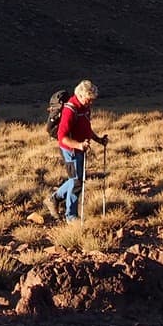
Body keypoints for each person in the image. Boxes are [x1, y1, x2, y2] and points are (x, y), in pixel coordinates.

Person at [46, 80, 102, 221]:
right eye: (89, 100)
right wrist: (78, 145)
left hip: (80, 148)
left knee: (77, 180)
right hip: (70, 150)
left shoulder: (85, 107)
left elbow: (86, 128)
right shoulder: (70, 110)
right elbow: (62, 137)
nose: (91, 103)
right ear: (81, 96)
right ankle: (71, 217)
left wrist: (98, 139)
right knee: (77, 182)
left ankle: (54, 198)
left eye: (92, 100)